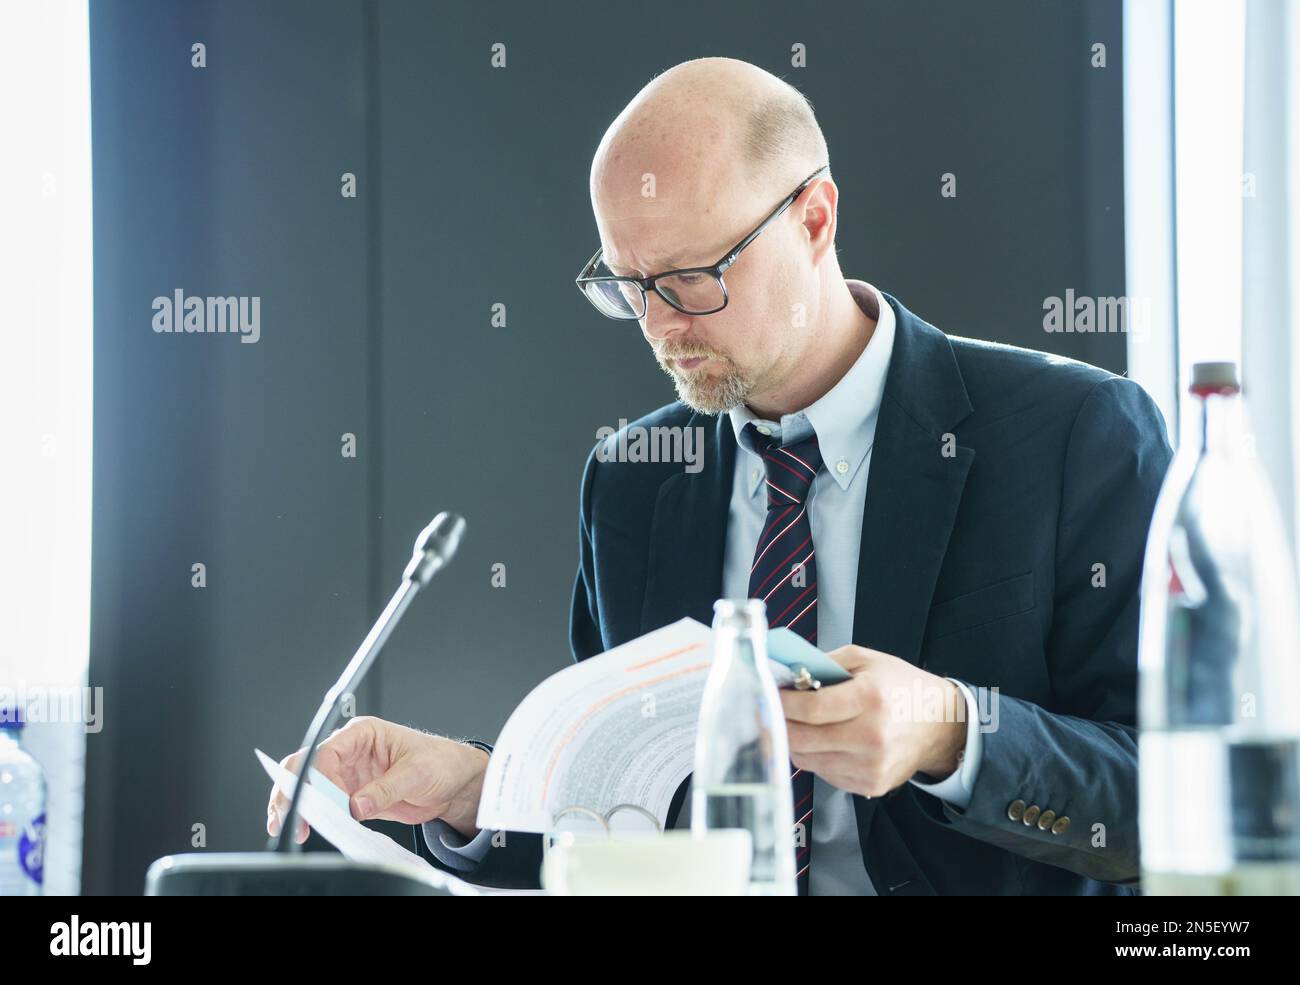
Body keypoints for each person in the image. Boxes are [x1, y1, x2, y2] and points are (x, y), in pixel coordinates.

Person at [268, 56, 1171, 895]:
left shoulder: (1077, 435)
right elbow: (618, 819)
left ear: (814, 219)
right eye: (629, 284)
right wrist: (476, 786)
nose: (660, 326)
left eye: (692, 278)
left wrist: (954, 732)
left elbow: (1177, 802)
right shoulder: (631, 480)